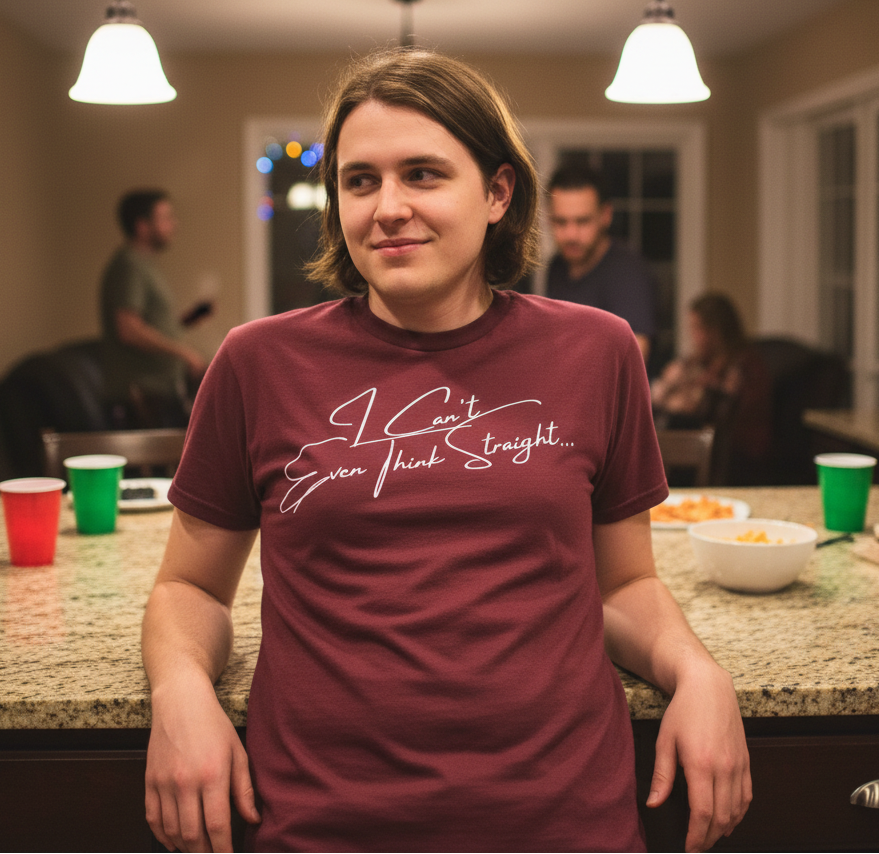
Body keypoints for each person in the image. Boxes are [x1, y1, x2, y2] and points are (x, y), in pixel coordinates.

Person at [142, 49, 750, 854]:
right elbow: (190, 586)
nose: (387, 207)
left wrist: (699, 673)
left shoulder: (596, 351)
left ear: (497, 192)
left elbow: (626, 580)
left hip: (564, 820)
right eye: (359, 181)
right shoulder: (257, 362)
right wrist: (180, 690)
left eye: (423, 174)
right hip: (323, 824)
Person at [100, 189, 212, 427]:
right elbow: (128, 329)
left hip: (160, 393)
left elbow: (154, 325)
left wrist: (191, 319)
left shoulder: (143, 264)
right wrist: (183, 353)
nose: (174, 224)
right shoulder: (129, 264)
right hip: (140, 397)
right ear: (142, 226)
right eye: (166, 218)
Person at [652, 292, 772, 484]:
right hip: (698, 439)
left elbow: (714, 410)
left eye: (697, 328)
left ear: (716, 331)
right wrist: (670, 384)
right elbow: (660, 397)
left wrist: (683, 398)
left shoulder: (745, 365)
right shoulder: (699, 361)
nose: (694, 336)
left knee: (675, 423)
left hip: (734, 450)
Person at [543, 163, 655, 361]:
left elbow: (635, 356)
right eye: (561, 222)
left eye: (582, 221)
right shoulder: (556, 267)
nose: (571, 234)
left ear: (606, 215)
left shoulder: (627, 271)